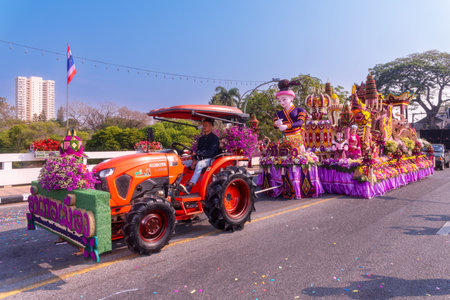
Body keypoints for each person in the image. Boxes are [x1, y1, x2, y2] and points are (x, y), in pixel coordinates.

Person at [180, 118, 220, 194]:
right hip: (199, 158)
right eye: (203, 125)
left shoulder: (215, 139)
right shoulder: (201, 138)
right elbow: (198, 150)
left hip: (210, 159)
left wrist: (197, 154)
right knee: (181, 163)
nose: (204, 127)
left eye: (206, 125)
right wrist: (194, 159)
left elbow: (210, 152)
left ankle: (190, 185)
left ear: (211, 127)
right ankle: (177, 184)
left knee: (199, 164)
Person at [273, 81, 307, 150]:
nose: (281, 102)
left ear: (291, 98)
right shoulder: (278, 113)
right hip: (285, 140)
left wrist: (286, 126)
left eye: (284, 99)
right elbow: (275, 125)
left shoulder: (300, 110)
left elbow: (300, 123)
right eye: (279, 100)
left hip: (297, 139)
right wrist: (277, 123)